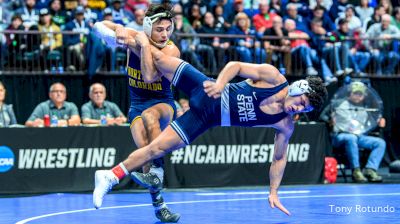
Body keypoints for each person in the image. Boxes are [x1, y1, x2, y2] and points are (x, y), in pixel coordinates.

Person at [92, 30, 328, 216]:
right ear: (299, 88)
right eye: (301, 102)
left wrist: (274, 192)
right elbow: (235, 66)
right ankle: (121, 38)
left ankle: (109, 176)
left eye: (304, 110)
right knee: (157, 58)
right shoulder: (273, 77)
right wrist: (220, 84)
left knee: (156, 148)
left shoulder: (285, 124)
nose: (297, 109)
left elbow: (279, 158)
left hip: (205, 119)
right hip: (205, 88)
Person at [93, 3, 181, 222]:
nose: (164, 34)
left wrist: (140, 44)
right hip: (136, 104)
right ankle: (159, 206)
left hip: (164, 103)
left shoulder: (171, 49)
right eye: (159, 29)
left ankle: (157, 173)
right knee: (144, 151)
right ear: (148, 26)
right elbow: (98, 26)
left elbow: (150, 76)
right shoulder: (136, 36)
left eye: (168, 29)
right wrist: (120, 28)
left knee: (151, 116)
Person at [319, 81, 386, 183]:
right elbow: (322, 116)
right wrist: (330, 121)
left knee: (380, 143)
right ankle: (356, 171)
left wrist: (379, 123)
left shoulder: (365, 108)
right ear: (350, 93)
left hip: (359, 136)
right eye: (356, 93)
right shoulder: (338, 103)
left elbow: (367, 126)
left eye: (360, 94)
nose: (358, 96)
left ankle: (370, 169)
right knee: (351, 138)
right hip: (340, 136)